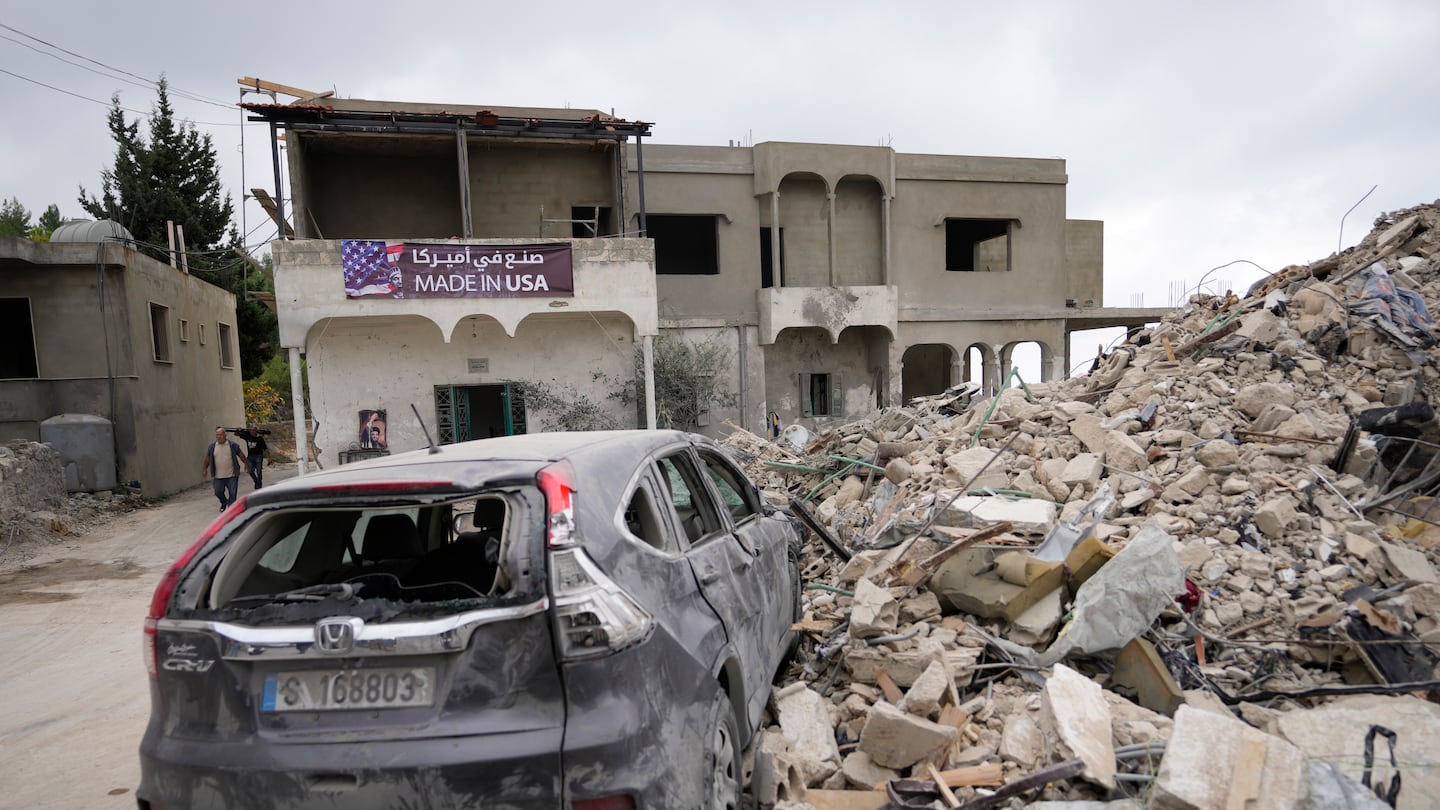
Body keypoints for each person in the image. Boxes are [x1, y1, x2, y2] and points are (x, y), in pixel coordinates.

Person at [202, 427, 245, 511]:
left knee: (233, 493)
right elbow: (207, 458)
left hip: (232, 475)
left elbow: (241, 455)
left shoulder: (232, 445)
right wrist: (204, 468)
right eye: (217, 435)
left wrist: (246, 464)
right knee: (218, 492)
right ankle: (224, 501)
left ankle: (231, 511)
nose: (219, 437)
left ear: (225, 435)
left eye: (221, 435)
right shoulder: (212, 446)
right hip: (218, 476)